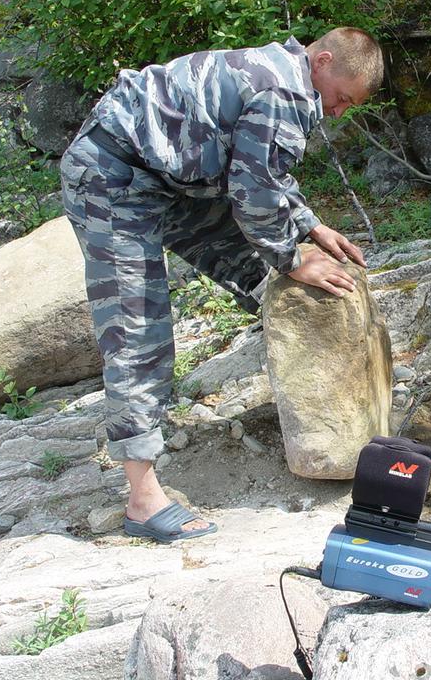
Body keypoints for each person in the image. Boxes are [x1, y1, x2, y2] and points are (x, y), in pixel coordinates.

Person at [60, 27, 384, 542]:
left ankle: (301, 367)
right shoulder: (284, 91)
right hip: (112, 180)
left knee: (252, 270)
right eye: (342, 98)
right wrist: (291, 258)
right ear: (322, 62)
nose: (340, 111)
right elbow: (254, 193)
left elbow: (259, 167)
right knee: (137, 328)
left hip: (165, 176)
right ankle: (142, 500)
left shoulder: (280, 72)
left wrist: (310, 227)